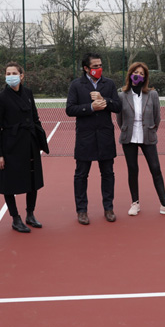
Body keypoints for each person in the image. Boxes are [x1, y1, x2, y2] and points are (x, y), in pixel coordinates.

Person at [0, 62, 50, 233]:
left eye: (14, 73)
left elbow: (35, 118)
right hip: (10, 145)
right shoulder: (0, 97)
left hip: (30, 143)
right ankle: (15, 218)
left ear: (21, 76)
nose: (11, 76)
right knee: (9, 182)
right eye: (8, 73)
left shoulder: (28, 93)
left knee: (33, 179)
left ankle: (30, 214)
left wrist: (40, 141)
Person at [117, 62, 165, 217]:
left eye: (141, 73)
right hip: (129, 137)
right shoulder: (122, 95)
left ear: (145, 77)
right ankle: (135, 203)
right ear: (130, 74)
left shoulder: (152, 94)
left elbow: (157, 116)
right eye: (135, 72)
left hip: (148, 136)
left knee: (155, 169)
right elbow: (119, 119)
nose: (138, 75)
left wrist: (151, 130)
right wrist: (127, 129)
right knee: (133, 169)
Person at [66, 52, 122, 225]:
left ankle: (109, 208)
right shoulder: (76, 85)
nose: (99, 68)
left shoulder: (109, 84)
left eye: (100, 65)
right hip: (85, 137)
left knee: (108, 173)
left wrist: (104, 100)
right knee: (81, 175)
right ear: (86, 68)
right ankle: (81, 210)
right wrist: (90, 107)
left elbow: (118, 106)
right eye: (95, 66)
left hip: (105, 136)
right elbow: (70, 109)